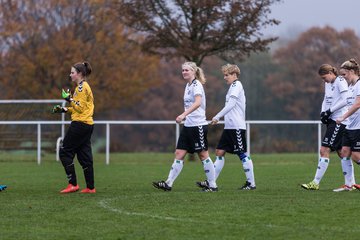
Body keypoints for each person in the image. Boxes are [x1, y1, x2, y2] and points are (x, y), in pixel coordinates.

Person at [152, 61, 218, 192]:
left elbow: (198, 103)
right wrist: (185, 118)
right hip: (188, 126)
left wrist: (183, 115)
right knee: (179, 153)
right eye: (183, 70)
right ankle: (168, 183)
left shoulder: (196, 85)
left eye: (187, 70)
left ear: (193, 71)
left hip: (198, 125)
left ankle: (212, 185)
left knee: (203, 155)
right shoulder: (188, 86)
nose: (184, 72)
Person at [196, 63, 256, 190]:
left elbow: (231, 105)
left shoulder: (237, 85)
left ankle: (251, 184)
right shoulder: (232, 87)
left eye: (227, 75)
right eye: (224, 75)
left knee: (242, 153)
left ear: (234, 75)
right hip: (229, 127)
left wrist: (217, 116)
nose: (225, 77)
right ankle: (211, 182)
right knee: (219, 152)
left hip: (237, 127)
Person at [301, 64, 352, 191]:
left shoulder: (341, 81)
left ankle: (315, 183)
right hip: (332, 120)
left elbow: (346, 100)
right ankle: (350, 185)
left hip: (339, 120)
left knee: (324, 150)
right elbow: (326, 98)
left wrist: (330, 111)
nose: (324, 80)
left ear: (330, 72)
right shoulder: (327, 84)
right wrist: (323, 112)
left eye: (324, 77)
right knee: (342, 153)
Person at [52, 61, 96, 194]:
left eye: (72, 72)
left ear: (80, 74)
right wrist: (64, 109)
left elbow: (80, 108)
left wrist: (68, 98)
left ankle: (73, 184)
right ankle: (90, 187)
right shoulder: (83, 87)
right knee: (84, 156)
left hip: (80, 125)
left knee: (64, 152)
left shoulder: (81, 88)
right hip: (87, 125)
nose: (70, 75)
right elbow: (79, 108)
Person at [335, 58, 360, 191]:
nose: (343, 78)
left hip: (358, 127)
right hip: (349, 126)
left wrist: (343, 116)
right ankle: (348, 185)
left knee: (356, 156)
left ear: (352, 71)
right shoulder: (350, 87)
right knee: (344, 152)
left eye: (344, 75)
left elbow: (357, 104)